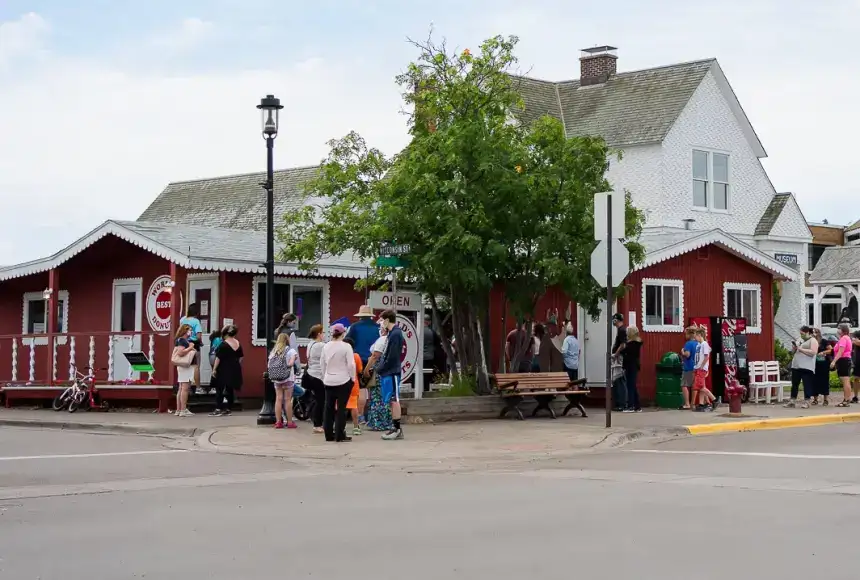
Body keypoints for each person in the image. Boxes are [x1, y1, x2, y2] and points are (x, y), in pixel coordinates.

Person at [320, 323, 356, 442]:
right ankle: (339, 434)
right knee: (341, 408)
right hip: (343, 380)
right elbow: (351, 365)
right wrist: (352, 378)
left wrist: (325, 376)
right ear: (343, 333)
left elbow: (322, 364)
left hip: (328, 380)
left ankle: (328, 434)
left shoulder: (326, 346)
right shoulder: (346, 347)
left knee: (328, 407)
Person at [376, 310, 405, 440]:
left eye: (382, 320)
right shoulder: (392, 334)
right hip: (388, 372)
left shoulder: (396, 334)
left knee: (395, 400)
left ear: (387, 320)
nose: (380, 323)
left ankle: (397, 428)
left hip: (392, 371)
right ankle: (394, 427)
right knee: (391, 400)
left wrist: (380, 368)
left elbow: (392, 356)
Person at [364, 324, 393, 432]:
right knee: (385, 396)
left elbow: (375, 356)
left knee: (377, 396)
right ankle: (387, 421)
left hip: (378, 370)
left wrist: (366, 369)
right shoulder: (391, 339)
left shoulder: (382, 339)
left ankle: (378, 422)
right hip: (387, 370)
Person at [210, 325, 243, 416]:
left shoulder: (223, 344)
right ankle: (228, 408)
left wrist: (214, 369)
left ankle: (218, 408)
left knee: (219, 388)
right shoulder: (238, 343)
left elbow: (218, 358)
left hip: (223, 368)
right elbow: (241, 357)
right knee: (230, 389)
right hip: (235, 367)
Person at [268, 332, 298, 429]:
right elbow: (291, 363)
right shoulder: (291, 351)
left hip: (277, 379)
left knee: (278, 399)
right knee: (287, 400)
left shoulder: (273, 352)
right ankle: (289, 422)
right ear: (287, 340)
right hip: (288, 378)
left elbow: (269, 365)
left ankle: (278, 422)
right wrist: (289, 364)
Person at [785, 325, 818, 409]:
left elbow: (813, 352)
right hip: (796, 365)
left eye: (802, 333)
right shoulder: (799, 340)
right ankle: (792, 401)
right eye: (800, 333)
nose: (801, 335)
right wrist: (794, 348)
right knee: (795, 384)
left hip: (807, 366)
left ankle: (807, 401)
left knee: (807, 384)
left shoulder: (813, 340)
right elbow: (793, 352)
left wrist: (801, 349)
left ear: (807, 332)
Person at [303, 324, 326, 433]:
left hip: (311, 374)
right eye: (323, 333)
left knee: (317, 400)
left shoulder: (310, 344)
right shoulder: (320, 346)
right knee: (320, 401)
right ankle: (318, 424)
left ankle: (318, 422)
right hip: (318, 376)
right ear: (319, 334)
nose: (324, 335)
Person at [180, 303, 204, 394]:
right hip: (193, 345)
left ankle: (187, 388)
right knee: (195, 366)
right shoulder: (196, 321)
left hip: (183, 343)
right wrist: (200, 341)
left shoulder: (182, 319)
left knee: (186, 366)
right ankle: (198, 388)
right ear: (196, 312)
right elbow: (198, 336)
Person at [172, 323, 196, 417]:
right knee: (185, 388)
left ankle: (179, 409)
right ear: (185, 331)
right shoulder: (182, 340)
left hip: (182, 366)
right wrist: (190, 347)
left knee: (181, 388)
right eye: (189, 330)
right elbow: (180, 353)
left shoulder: (180, 340)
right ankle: (183, 410)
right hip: (185, 366)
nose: (191, 332)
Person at [343, 338, 365, 436]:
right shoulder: (356, 356)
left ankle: (340, 426)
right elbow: (360, 370)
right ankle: (356, 427)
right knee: (353, 406)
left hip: (341, 382)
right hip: (353, 383)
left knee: (340, 406)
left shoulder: (340, 357)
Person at [693, 327, 717, 412]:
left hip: (701, 368)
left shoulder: (704, 344)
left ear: (699, 335)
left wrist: (702, 366)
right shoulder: (699, 345)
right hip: (698, 367)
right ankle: (701, 404)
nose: (694, 338)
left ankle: (714, 399)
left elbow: (706, 356)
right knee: (701, 386)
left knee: (699, 386)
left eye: (695, 336)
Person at [620, 326, 643, 413]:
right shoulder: (637, 343)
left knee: (630, 386)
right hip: (633, 366)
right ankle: (637, 406)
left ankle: (631, 406)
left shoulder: (632, 344)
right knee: (632, 386)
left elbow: (626, 353)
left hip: (631, 366)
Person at [831, 323, 854, 406]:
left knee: (845, 381)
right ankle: (847, 399)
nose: (838, 330)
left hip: (843, 360)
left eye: (839, 328)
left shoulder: (844, 338)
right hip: (844, 360)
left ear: (843, 330)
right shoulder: (845, 338)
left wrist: (834, 361)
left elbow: (841, 352)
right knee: (845, 380)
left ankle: (846, 400)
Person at [679, 327, 698, 410]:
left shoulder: (688, 343)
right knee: (694, 386)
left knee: (684, 385)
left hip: (689, 366)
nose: (685, 335)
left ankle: (687, 404)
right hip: (696, 366)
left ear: (689, 334)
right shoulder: (698, 343)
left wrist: (682, 351)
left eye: (686, 333)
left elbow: (687, 354)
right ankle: (693, 403)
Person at [812, 328, 832, 406]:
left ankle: (825, 399)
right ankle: (815, 399)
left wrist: (823, 352)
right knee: (814, 381)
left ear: (818, 333)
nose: (814, 334)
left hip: (824, 364)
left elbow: (831, 350)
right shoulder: (811, 342)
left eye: (815, 333)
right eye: (813, 333)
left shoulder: (824, 341)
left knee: (824, 380)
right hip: (814, 364)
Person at [852, 330, 860, 403]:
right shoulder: (857, 333)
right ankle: (855, 396)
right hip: (857, 361)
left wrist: (856, 341)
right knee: (856, 378)